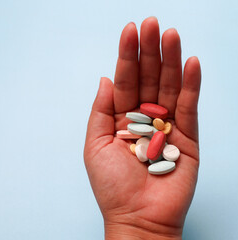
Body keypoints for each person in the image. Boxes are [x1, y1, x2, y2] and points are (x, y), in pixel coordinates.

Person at [83, 17, 202, 239]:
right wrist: (131, 224)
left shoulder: (156, 142)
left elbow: (153, 146)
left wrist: (127, 226)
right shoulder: (149, 143)